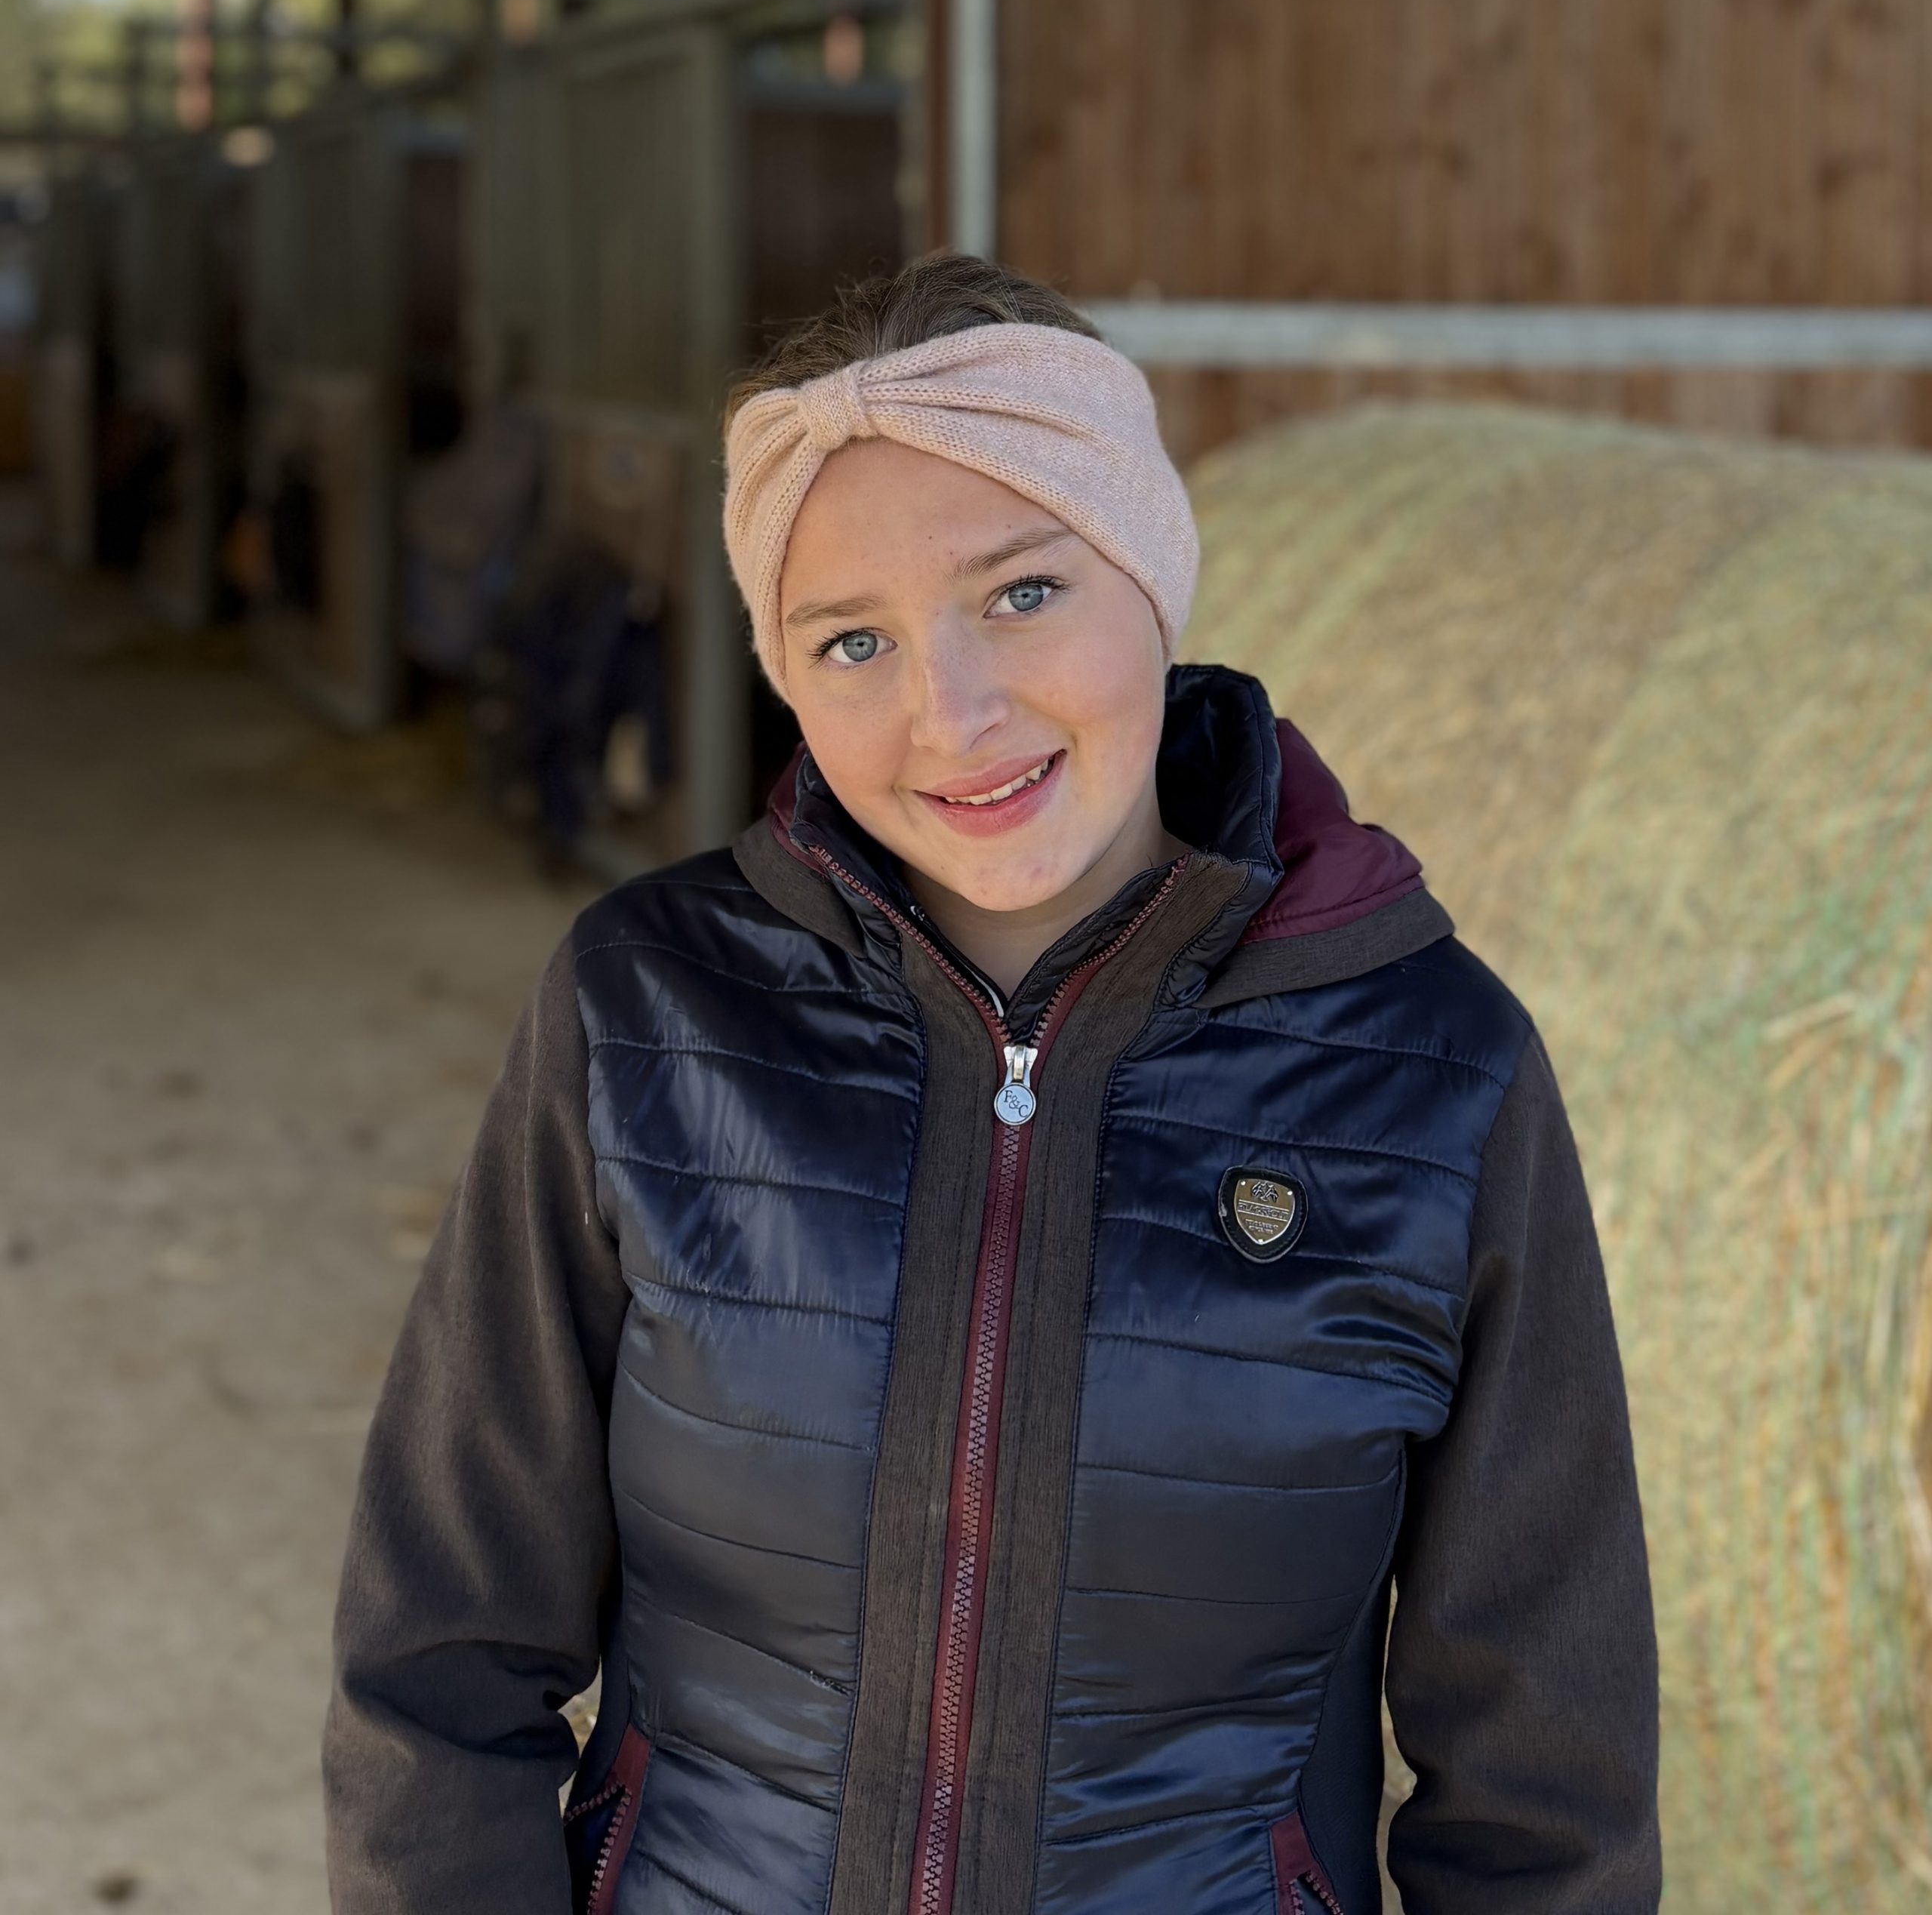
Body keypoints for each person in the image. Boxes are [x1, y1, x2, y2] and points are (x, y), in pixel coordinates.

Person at [323, 254, 1660, 1915]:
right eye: (850, 638)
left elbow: (1546, 1780)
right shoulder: (641, 1007)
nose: (945, 714)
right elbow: (436, 1653)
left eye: (1020, 592)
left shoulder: (1431, 1067)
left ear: (1149, 577)